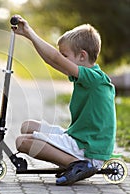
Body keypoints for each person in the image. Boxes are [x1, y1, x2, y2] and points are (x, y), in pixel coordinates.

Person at [13, 15, 116, 185]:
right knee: (27, 126)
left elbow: (54, 58)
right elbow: (51, 60)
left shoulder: (95, 79)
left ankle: (78, 165)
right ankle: (74, 162)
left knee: (22, 142)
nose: (62, 60)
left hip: (88, 149)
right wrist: (27, 36)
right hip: (81, 139)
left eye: (65, 56)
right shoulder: (88, 77)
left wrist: (30, 32)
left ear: (82, 56)